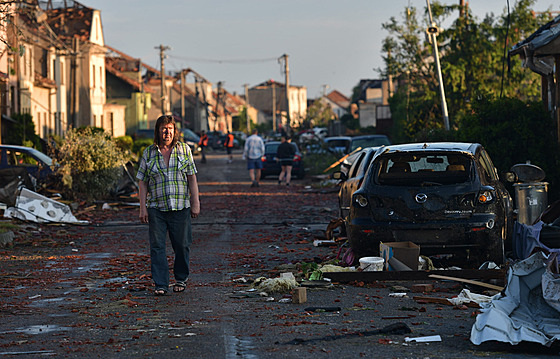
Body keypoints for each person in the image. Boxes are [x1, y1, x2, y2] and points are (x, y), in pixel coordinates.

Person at [136, 115, 200, 296]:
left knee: (182, 245)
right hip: (157, 208)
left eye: (170, 129)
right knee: (157, 247)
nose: (167, 132)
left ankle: (181, 278)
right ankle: (161, 284)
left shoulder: (184, 150)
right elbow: (142, 182)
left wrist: (195, 203)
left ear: (175, 131)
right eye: (164, 128)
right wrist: (142, 208)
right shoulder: (149, 153)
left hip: (180, 207)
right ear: (158, 131)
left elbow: (192, 177)